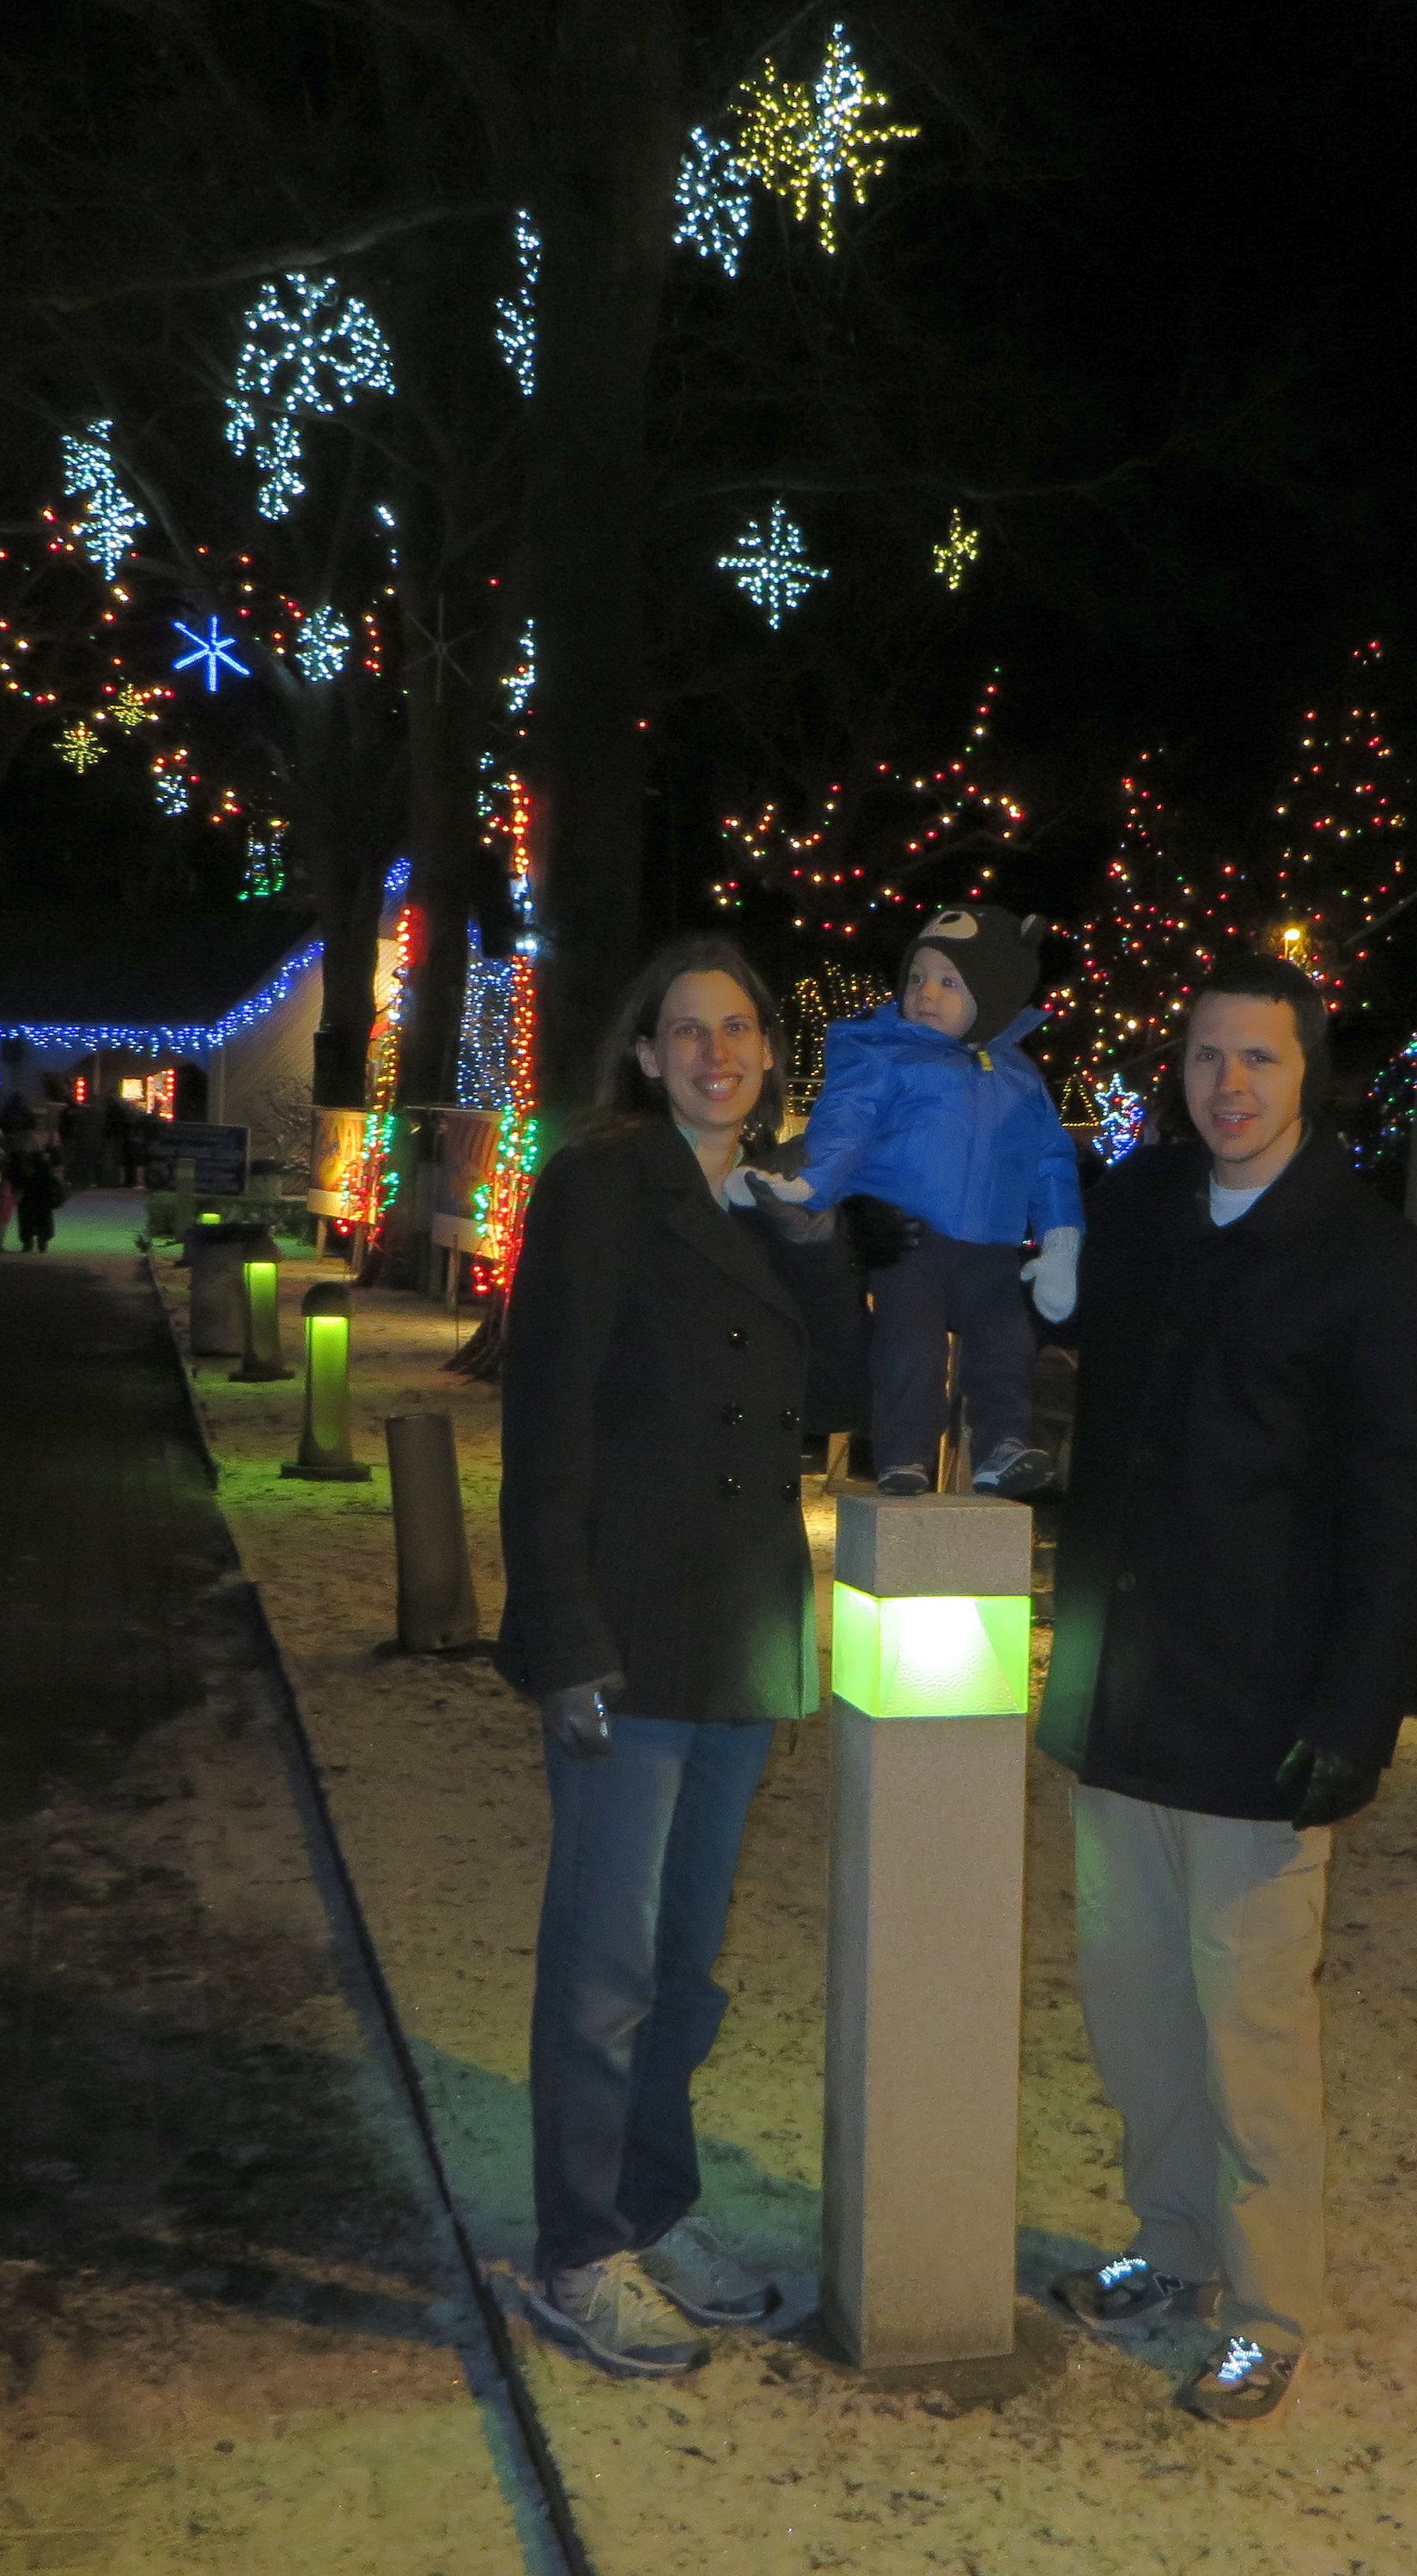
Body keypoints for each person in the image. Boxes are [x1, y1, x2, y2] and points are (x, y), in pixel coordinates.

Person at [1037, 952, 1417, 2427]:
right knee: (1134, 2008)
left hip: (1261, 1721)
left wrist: (1356, 1718)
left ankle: (1268, 2311)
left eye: (1260, 1059)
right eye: (1208, 1056)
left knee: (1252, 2030)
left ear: (1309, 1076)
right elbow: (1053, 1322)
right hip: (1121, 1699)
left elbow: (1407, 1514)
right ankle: (1172, 2248)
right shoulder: (1143, 1209)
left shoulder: (1372, 1265)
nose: (1229, 1085)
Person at [498, 935, 862, 2382]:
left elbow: (841, 1397)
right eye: (690, 1032)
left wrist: (818, 1245)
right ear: (646, 1056)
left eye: (741, 1030)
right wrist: (563, 1634)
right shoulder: (600, 1188)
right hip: (628, 1629)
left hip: (742, 1630)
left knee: (684, 1964)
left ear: (771, 1053)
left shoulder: (772, 1206)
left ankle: (652, 2206)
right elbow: (546, 1426)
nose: (719, 1054)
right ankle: (579, 2251)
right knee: (606, 1964)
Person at [755, 903, 1081, 1497]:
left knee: (1007, 1342)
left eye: (949, 982)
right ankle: (903, 1455)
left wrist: (1060, 1243)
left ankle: (1003, 1445)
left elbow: (1051, 1163)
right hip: (911, 1239)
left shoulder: (1020, 1079)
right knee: (909, 1344)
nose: (926, 993)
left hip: (992, 1249)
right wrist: (814, 1185)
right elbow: (846, 1123)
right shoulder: (890, 1056)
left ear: (990, 993)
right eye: (916, 978)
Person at [14, 1139, 66, 1252]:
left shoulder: (25, 1159)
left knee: (28, 1219)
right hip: (42, 1194)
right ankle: (41, 1243)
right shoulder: (44, 1161)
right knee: (42, 1218)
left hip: (30, 1194)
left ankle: (29, 1243)